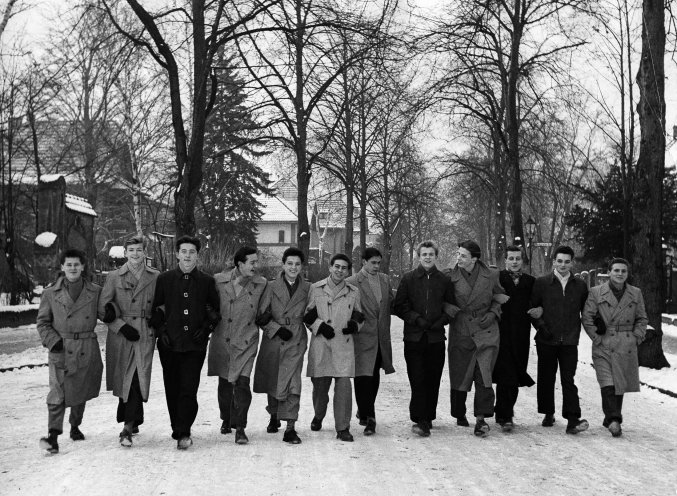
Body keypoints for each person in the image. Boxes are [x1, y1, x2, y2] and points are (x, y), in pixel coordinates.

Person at [149, 235, 220, 450]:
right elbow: (157, 310)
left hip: (194, 345)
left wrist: (206, 328)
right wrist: (162, 332)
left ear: (198, 255)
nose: (188, 256)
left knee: (189, 387)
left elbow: (215, 310)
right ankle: (176, 424)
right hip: (169, 344)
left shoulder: (207, 281)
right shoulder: (165, 279)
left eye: (192, 252)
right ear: (177, 254)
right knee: (173, 386)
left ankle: (185, 429)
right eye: (184, 251)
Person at [37, 249, 103, 454]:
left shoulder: (95, 291)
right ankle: (53, 436)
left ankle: (75, 426)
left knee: (80, 391)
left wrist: (112, 311)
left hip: (85, 346)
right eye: (69, 264)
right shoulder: (50, 293)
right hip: (61, 348)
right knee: (57, 393)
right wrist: (52, 341)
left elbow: (104, 312)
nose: (73, 268)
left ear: (83, 266)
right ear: (62, 267)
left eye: (77, 264)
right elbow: (43, 322)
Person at [99, 236, 159, 447]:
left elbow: (163, 303)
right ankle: (132, 421)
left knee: (135, 379)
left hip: (144, 333)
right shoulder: (115, 277)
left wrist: (159, 314)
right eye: (131, 250)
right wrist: (120, 326)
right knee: (125, 379)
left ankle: (127, 427)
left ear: (145, 252)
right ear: (125, 252)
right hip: (122, 336)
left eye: (139, 250)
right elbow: (102, 307)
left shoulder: (155, 276)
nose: (135, 254)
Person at [393, 241, 455, 437]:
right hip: (414, 337)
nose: (427, 257)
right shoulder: (409, 279)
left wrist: (441, 321)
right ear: (418, 256)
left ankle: (428, 416)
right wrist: (416, 319)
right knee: (417, 378)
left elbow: (451, 307)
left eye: (431, 254)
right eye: (424, 254)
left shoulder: (444, 280)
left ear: (436, 256)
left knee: (433, 378)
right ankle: (420, 419)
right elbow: (400, 306)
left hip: (436, 338)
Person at [445, 240, 506, 437]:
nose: (459, 258)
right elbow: (443, 300)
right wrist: (451, 310)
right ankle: (459, 412)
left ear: (475, 258)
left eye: (463, 255)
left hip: (485, 330)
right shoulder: (449, 276)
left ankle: (481, 419)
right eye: (458, 254)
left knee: (484, 374)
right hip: (461, 330)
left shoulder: (491, 275)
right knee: (460, 373)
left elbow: (499, 296)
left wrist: (494, 313)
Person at [582, 258, 648, 437]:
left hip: (626, 343)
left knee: (619, 384)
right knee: (607, 383)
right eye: (616, 270)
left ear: (627, 273)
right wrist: (596, 338)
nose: (620, 274)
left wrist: (636, 337)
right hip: (604, 343)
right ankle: (614, 419)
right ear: (609, 272)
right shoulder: (596, 292)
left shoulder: (635, 293)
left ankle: (612, 418)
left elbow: (642, 318)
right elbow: (587, 317)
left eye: (623, 271)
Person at [208, 246, 267, 445]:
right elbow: (208, 303)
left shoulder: (261, 284)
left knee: (242, 384)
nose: (255, 266)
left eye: (256, 262)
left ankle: (240, 427)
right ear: (240, 264)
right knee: (225, 384)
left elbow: (263, 310)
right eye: (252, 262)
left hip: (246, 340)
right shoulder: (218, 280)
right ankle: (226, 418)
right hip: (223, 338)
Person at [253, 247, 310, 444]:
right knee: (274, 378)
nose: (293, 268)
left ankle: (290, 427)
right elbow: (261, 315)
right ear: (283, 265)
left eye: (297, 264)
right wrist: (276, 328)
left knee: (293, 382)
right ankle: (274, 415)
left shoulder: (308, 288)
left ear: (302, 266)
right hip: (275, 339)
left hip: (295, 340)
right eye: (290, 263)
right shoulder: (270, 286)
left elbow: (312, 313)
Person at [530, 245, 589, 434]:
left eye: (567, 261)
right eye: (559, 261)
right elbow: (532, 309)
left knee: (568, 379)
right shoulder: (542, 283)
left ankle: (573, 418)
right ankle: (548, 412)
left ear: (572, 263)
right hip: (547, 339)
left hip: (570, 340)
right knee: (546, 377)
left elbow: (587, 311)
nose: (563, 265)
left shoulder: (579, 285)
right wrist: (541, 327)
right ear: (554, 261)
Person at [304, 253, 363, 442]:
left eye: (344, 268)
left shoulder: (353, 291)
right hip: (322, 343)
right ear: (330, 267)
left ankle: (343, 427)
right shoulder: (316, 288)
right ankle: (319, 414)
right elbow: (308, 315)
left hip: (343, 345)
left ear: (348, 271)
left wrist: (354, 325)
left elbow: (359, 314)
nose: (339, 270)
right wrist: (320, 326)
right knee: (320, 388)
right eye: (336, 266)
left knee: (344, 387)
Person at [346, 247, 395, 436]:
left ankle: (365, 410)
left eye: (378, 263)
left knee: (374, 376)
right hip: (362, 338)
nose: (376, 266)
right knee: (362, 377)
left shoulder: (385, 280)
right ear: (363, 262)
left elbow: (389, 303)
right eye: (373, 262)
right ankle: (370, 417)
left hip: (381, 338)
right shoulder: (352, 282)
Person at [492, 245, 536, 432]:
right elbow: (486, 296)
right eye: (511, 258)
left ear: (522, 261)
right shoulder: (498, 278)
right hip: (501, 332)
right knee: (505, 373)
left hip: (521, 333)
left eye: (518, 258)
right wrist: (496, 296)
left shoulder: (530, 281)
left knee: (517, 371)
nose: (515, 262)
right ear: (506, 260)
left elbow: (537, 303)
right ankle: (505, 414)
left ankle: (505, 410)